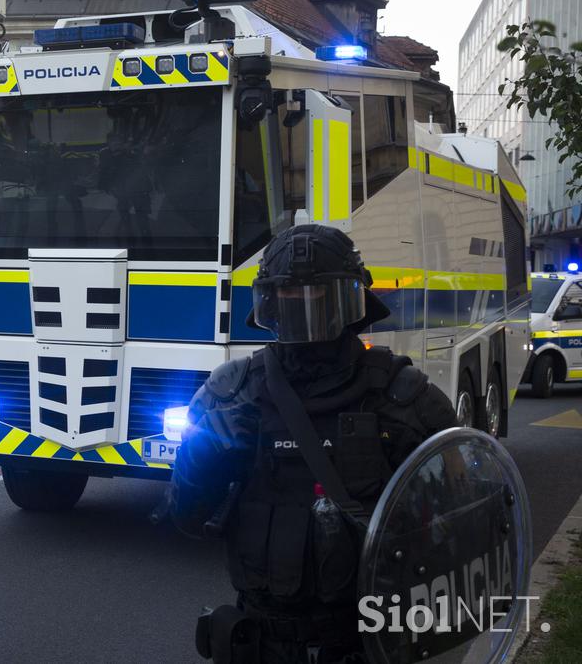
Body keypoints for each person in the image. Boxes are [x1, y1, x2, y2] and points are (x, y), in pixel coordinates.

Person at [168, 224, 458, 664]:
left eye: (319, 298)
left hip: (364, 642)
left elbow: (453, 530)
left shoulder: (402, 398)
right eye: (291, 299)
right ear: (270, 304)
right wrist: (201, 460)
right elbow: (187, 517)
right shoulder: (233, 392)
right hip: (259, 643)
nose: (305, 313)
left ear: (351, 302)